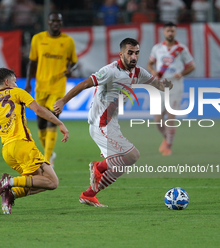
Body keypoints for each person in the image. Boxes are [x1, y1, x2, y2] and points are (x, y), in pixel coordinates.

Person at [54, 38, 173, 207]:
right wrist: (63, 101)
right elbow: (85, 84)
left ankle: (89, 194)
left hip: (112, 124)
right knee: (132, 155)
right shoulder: (110, 71)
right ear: (121, 54)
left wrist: (165, 85)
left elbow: (158, 85)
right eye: (130, 53)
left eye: (136, 53)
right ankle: (98, 167)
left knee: (121, 166)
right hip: (100, 124)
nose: (133, 57)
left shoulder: (138, 73)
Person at [0, 68, 69, 214]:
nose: (16, 84)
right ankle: (8, 182)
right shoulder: (17, 92)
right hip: (23, 146)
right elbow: (39, 110)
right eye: (15, 81)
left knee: (41, 182)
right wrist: (59, 123)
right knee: (52, 182)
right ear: (7, 81)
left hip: (8, 153)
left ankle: (11, 194)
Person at [25, 12, 77, 168]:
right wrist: (28, 82)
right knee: (41, 122)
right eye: (53, 20)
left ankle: (46, 159)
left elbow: (73, 62)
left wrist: (69, 69)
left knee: (53, 119)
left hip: (58, 86)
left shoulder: (68, 41)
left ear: (61, 23)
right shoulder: (38, 39)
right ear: (48, 22)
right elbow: (32, 62)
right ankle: (49, 153)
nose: (56, 23)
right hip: (41, 86)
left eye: (58, 21)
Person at [147, 22, 195, 156]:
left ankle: (169, 145)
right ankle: (166, 138)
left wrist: (182, 73)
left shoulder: (181, 48)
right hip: (160, 84)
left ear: (175, 32)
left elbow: (192, 66)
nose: (170, 33)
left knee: (170, 117)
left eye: (172, 31)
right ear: (163, 32)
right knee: (157, 119)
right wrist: (153, 71)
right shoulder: (157, 48)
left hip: (175, 84)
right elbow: (150, 64)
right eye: (168, 31)